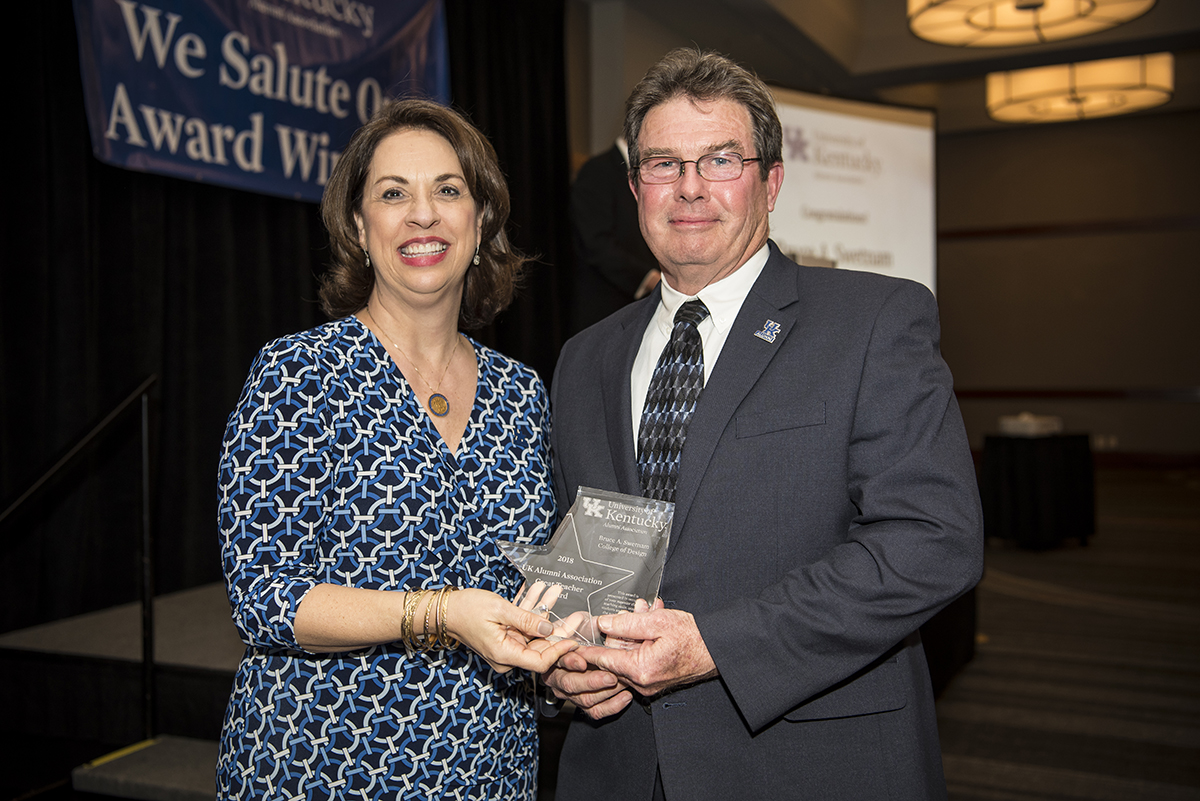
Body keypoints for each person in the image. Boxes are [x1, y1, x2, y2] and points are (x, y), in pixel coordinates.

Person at [544, 48, 984, 800]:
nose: (689, 187)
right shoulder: (583, 359)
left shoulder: (874, 321)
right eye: (663, 164)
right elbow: (584, 556)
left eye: (721, 160)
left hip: (807, 765)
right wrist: (564, 663)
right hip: (619, 767)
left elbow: (932, 540)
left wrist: (715, 645)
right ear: (635, 187)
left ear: (771, 181)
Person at [216, 98, 575, 800]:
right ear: (359, 226)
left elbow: (532, 579)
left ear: (481, 220)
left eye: (448, 190)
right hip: (324, 766)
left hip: (490, 769)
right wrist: (442, 613)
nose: (423, 215)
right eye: (392, 194)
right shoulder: (298, 374)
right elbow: (263, 598)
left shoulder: (521, 392)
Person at [569, 136, 660, 334]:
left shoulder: (657, 173)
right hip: (607, 310)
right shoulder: (596, 171)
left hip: (646, 310)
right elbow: (596, 243)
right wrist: (650, 278)